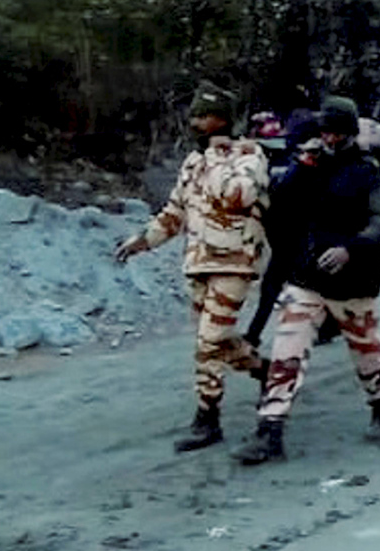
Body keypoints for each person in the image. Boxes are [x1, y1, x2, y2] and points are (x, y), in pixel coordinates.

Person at [234, 96, 380, 464]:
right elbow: (281, 205)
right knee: (285, 353)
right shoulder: (311, 166)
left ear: (351, 133)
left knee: (367, 354)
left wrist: (351, 249)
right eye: (325, 131)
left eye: (337, 132)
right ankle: (269, 430)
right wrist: (302, 168)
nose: (330, 138)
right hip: (307, 277)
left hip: (352, 280)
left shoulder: (367, 172)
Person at [115, 81, 270, 453]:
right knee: (215, 338)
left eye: (205, 115)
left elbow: (237, 196)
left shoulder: (250, 154)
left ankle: (207, 417)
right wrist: (143, 240)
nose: (197, 122)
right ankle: (265, 371)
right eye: (196, 115)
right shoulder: (192, 161)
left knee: (209, 340)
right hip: (199, 262)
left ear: (222, 119)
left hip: (235, 261)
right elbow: (175, 212)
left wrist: (218, 157)